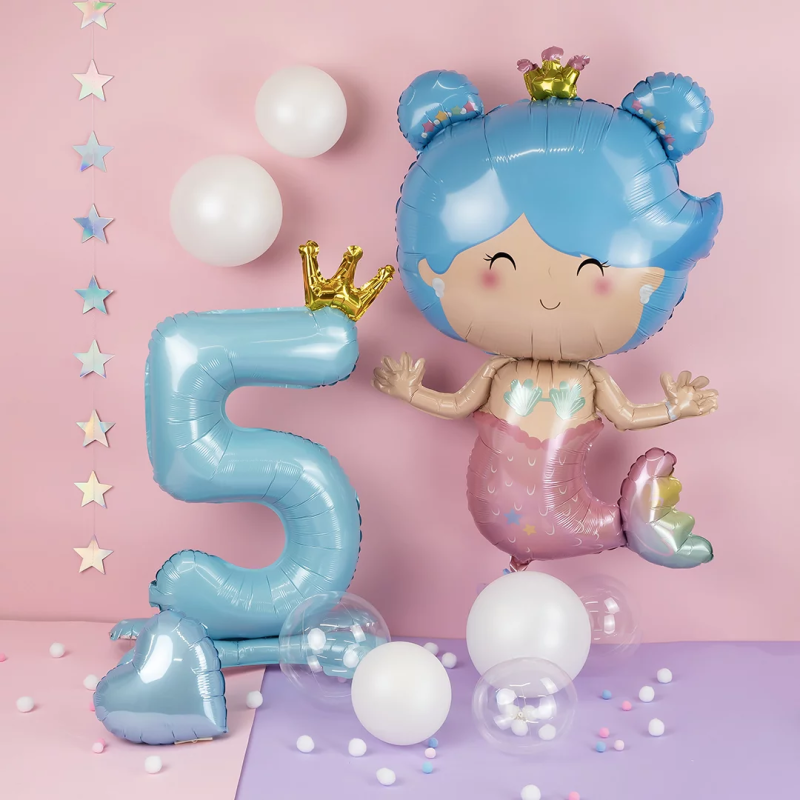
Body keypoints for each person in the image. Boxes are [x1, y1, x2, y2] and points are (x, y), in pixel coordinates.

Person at [374, 48, 722, 570]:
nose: (548, 297)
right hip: (498, 515)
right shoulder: (502, 371)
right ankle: (622, 532)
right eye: (498, 268)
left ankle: (628, 529)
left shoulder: (581, 380)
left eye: (593, 275)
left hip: (558, 514)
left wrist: (677, 409)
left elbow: (627, 417)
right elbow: (458, 404)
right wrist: (411, 392)